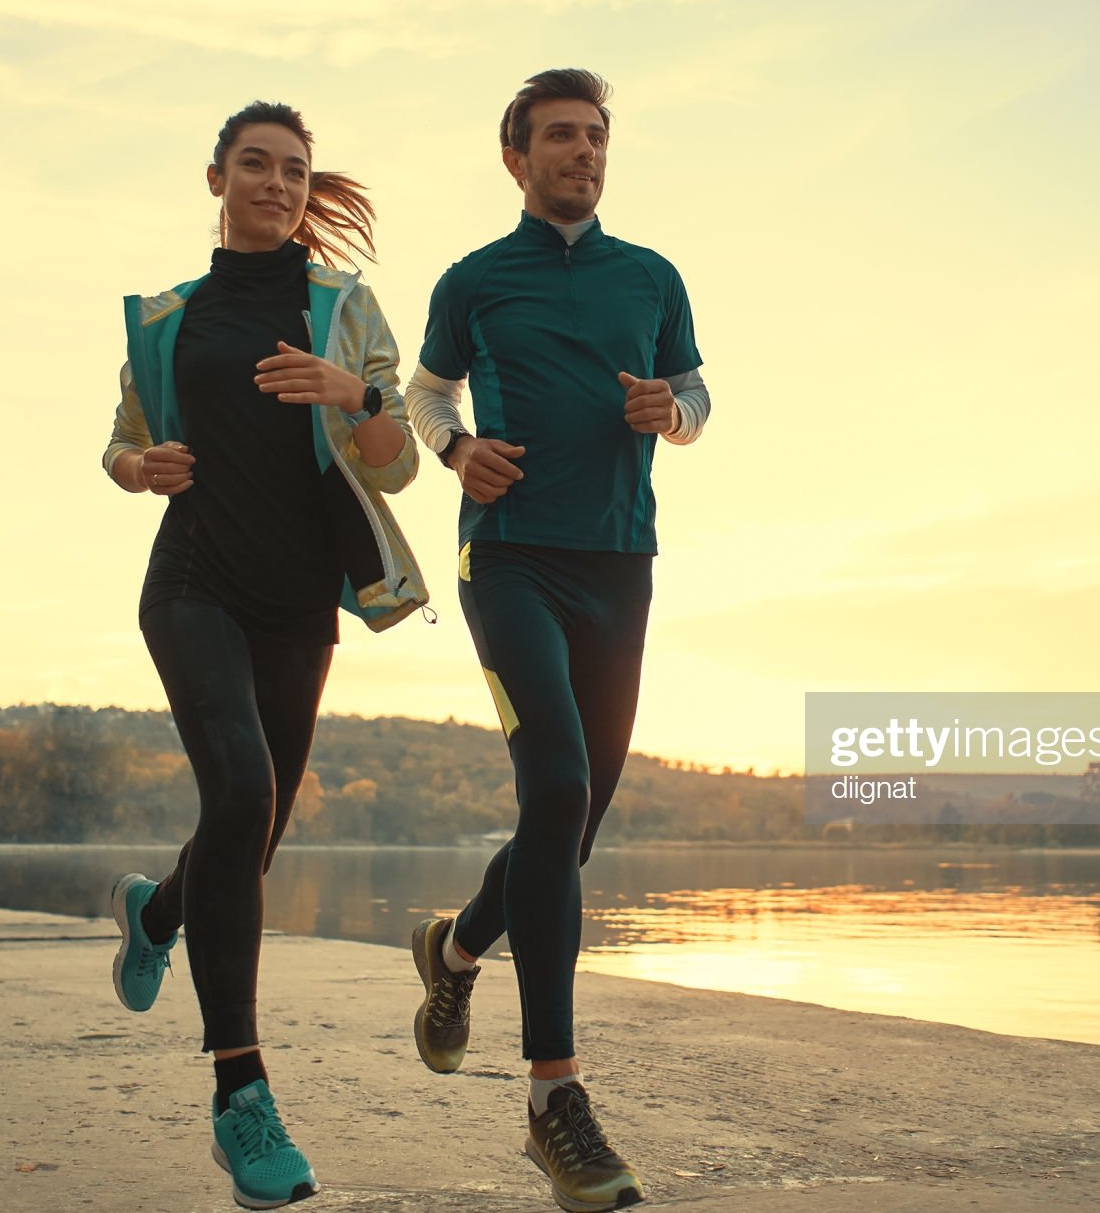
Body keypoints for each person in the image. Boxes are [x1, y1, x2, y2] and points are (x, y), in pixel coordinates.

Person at [100, 99, 425, 1209]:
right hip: (191, 579)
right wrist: (137, 472)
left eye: (295, 169)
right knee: (238, 789)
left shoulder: (342, 309)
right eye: (256, 164)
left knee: (258, 826)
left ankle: (153, 913)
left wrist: (357, 392)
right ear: (216, 179)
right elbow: (123, 442)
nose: (278, 183)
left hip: (298, 600)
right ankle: (241, 1094)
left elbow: (393, 462)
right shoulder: (168, 316)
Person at [403, 69, 710, 1213]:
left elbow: (695, 391)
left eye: (594, 137)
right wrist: (455, 448)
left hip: (618, 564)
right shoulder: (475, 279)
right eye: (559, 137)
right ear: (515, 159)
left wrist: (668, 416)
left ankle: (456, 951)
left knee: (569, 823)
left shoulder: (652, 276)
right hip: (509, 556)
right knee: (557, 788)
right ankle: (553, 1100)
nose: (581, 152)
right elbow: (426, 396)